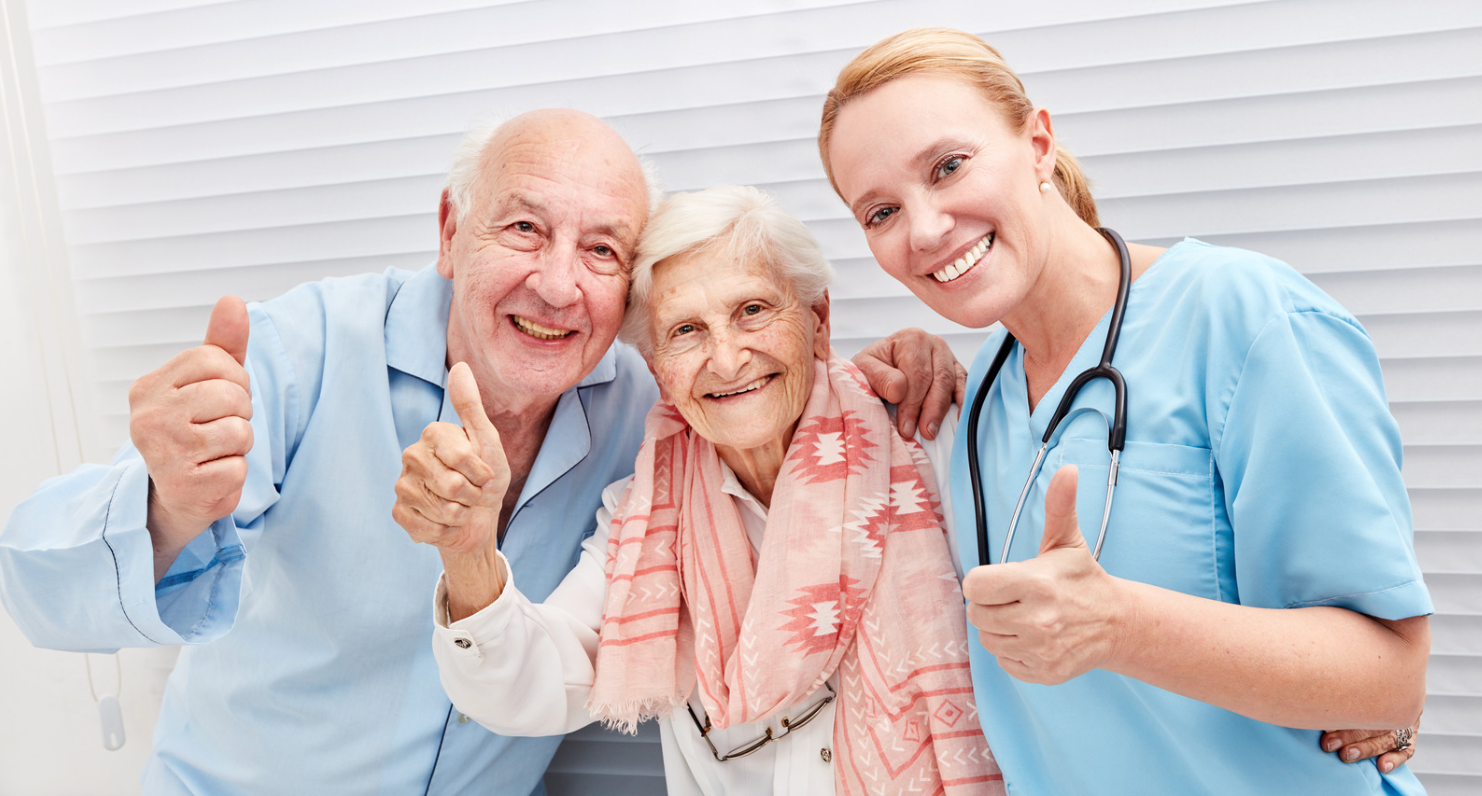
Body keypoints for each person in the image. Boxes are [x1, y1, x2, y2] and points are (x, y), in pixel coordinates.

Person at [0, 109, 949, 795]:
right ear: (452, 233)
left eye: (603, 251)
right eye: (525, 228)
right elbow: (38, 582)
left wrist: (879, 372)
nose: (558, 284)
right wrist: (167, 503)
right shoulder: (310, 347)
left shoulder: (649, 412)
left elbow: (762, 404)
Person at [817, 27, 1432, 795]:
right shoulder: (978, 401)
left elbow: (1389, 679)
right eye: (879, 212)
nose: (926, 229)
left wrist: (1118, 625)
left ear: (1038, 142)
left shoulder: (1245, 319)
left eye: (948, 166)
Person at [398, 185, 1004, 795]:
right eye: (686, 330)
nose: (727, 358)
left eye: (753, 311)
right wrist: (469, 551)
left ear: (817, 321)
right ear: (657, 366)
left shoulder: (936, 443)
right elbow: (527, 687)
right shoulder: (645, 515)